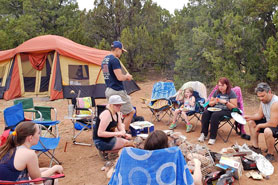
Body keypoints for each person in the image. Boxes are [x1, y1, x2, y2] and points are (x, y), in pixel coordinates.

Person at [101, 41, 135, 131]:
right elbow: (119, 77)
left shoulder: (105, 60)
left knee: (114, 113)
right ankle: (124, 134)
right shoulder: (114, 60)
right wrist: (127, 77)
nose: (121, 53)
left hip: (108, 89)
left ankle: (114, 133)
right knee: (130, 112)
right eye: (121, 51)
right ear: (117, 49)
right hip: (117, 90)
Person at [244, 82, 278, 162]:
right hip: (269, 122)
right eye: (259, 96)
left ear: (269, 92)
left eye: (263, 96)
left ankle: (270, 154)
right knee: (251, 122)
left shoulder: (275, 103)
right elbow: (259, 115)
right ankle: (255, 148)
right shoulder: (263, 101)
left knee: (267, 131)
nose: (261, 98)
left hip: (275, 125)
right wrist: (249, 117)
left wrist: (259, 126)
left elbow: (273, 123)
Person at [198, 77, 237, 145]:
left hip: (227, 111)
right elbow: (210, 103)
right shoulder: (216, 92)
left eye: (222, 85)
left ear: (227, 85)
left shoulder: (231, 93)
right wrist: (215, 101)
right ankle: (204, 134)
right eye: (219, 85)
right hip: (215, 109)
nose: (220, 87)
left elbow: (234, 107)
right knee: (205, 113)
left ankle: (212, 137)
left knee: (215, 115)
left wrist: (225, 102)